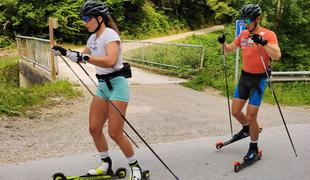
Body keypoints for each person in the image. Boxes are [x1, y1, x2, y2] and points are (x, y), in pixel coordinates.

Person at [52, 0, 143, 179]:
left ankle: (135, 167)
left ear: (99, 18)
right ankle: (106, 164)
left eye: (87, 18)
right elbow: (81, 56)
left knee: (115, 132)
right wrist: (65, 52)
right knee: (94, 128)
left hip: (117, 84)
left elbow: (110, 60)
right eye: (83, 18)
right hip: (103, 86)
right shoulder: (93, 38)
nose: (85, 22)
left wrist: (84, 57)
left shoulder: (110, 35)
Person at [217, 4, 281, 161]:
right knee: (236, 112)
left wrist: (264, 43)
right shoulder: (244, 34)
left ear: (257, 19)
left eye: (248, 20)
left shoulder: (268, 34)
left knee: (252, 117)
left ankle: (254, 147)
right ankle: (247, 129)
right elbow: (229, 49)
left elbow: (277, 55)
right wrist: (223, 43)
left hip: (258, 80)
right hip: (245, 78)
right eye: (243, 19)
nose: (245, 23)